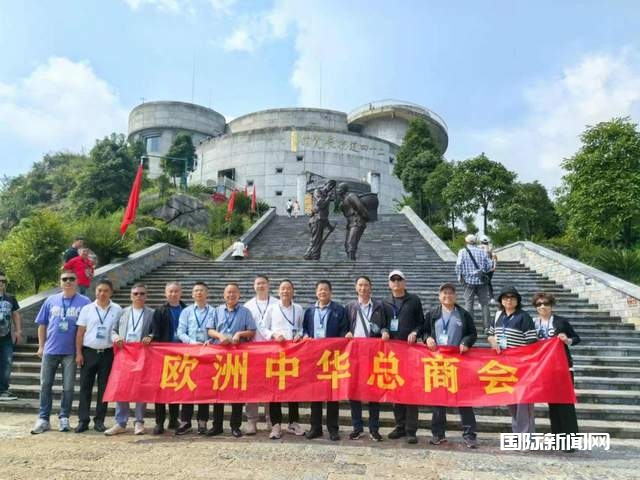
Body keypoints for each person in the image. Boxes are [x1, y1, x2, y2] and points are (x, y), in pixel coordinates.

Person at [31, 271, 91, 434]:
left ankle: (64, 416)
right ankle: (43, 418)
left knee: (68, 387)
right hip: (50, 350)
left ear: (77, 282)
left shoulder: (85, 302)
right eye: (65, 279)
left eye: (72, 279)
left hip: (70, 352)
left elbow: (86, 327)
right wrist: (41, 346)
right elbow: (42, 324)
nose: (68, 282)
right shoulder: (51, 300)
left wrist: (81, 351)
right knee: (45, 385)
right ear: (60, 282)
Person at [424, 282, 478, 448]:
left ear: (455, 296)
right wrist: (427, 339)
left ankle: (469, 435)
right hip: (438, 362)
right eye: (444, 293)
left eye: (450, 293)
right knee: (438, 400)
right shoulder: (432, 314)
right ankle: (438, 434)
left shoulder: (463, 314)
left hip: (458, 362)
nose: (447, 296)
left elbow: (472, 333)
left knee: (464, 399)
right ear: (439, 296)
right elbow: (424, 332)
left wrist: (466, 342)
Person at [207, 283, 256, 438]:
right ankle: (217, 425)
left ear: (239, 295)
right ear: (224, 295)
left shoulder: (245, 312)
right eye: (228, 292)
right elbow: (210, 329)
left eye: (234, 292)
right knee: (218, 392)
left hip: (237, 357)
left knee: (236, 393)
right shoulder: (216, 311)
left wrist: (240, 334)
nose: (231, 295)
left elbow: (252, 331)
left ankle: (235, 426)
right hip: (219, 356)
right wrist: (220, 336)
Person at [532, 292, 581, 448]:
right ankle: (558, 439)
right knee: (552, 403)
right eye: (539, 304)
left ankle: (570, 442)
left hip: (562, 367)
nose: (543, 306)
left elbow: (576, 338)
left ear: (551, 305)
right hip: (544, 368)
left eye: (546, 303)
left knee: (565, 403)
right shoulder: (533, 323)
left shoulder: (560, 321)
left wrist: (567, 340)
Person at [105, 283, 154, 436]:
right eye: (135, 294)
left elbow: (155, 332)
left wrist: (151, 337)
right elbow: (112, 330)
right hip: (124, 354)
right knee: (122, 388)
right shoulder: (123, 312)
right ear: (131, 296)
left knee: (140, 388)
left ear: (146, 296)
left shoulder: (152, 313)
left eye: (142, 294)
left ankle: (139, 421)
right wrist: (116, 338)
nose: (138, 296)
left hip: (142, 355)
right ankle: (121, 422)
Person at [487, 286, 538, 434]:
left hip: (521, 365)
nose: (508, 300)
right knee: (511, 401)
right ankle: (518, 434)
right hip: (503, 365)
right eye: (505, 297)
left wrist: (526, 362)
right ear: (501, 301)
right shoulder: (498, 316)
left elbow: (531, 342)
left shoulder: (524, 317)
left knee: (524, 402)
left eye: (512, 297)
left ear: (517, 300)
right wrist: (492, 341)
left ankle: (526, 438)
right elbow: (490, 333)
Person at [344, 275, 389, 441]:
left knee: (373, 391)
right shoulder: (350, 307)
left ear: (370, 288)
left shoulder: (379, 306)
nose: (363, 288)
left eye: (366, 285)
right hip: (354, 355)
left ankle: (374, 428)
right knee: (354, 391)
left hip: (373, 354)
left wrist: (385, 331)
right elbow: (344, 327)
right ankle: (357, 427)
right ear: (356, 288)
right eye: (360, 285)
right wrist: (346, 333)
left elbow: (385, 324)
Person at [302, 280, 349, 441]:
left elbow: (344, 330)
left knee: (332, 394)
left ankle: (333, 428)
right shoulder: (309, 311)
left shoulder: (339, 310)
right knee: (315, 393)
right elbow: (305, 330)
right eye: (320, 290)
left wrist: (344, 337)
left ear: (331, 292)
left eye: (326, 290)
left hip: (333, 357)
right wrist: (306, 336)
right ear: (316, 292)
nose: (323, 292)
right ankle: (315, 428)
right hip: (315, 358)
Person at [74, 278, 122, 433]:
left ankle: (99, 420)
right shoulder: (87, 309)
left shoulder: (117, 309)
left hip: (108, 354)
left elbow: (120, 332)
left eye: (106, 291)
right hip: (88, 352)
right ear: (95, 291)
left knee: (104, 389)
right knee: (85, 387)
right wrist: (79, 353)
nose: (102, 293)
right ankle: (83, 420)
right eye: (99, 290)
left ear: (111, 292)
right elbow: (80, 333)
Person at [383, 270, 424, 444]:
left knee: (411, 391)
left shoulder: (414, 300)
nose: (397, 282)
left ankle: (411, 429)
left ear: (404, 282)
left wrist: (415, 332)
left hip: (410, 352)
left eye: (399, 279)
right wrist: (384, 330)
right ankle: (400, 426)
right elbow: (380, 324)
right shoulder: (385, 302)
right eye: (393, 280)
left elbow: (421, 322)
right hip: (392, 353)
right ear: (389, 284)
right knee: (396, 390)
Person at [261, 279, 305, 439]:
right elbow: (263, 327)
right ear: (278, 292)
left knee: (294, 388)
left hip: (294, 353)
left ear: (292, 291)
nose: (285, 291)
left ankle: (293, 422)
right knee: (275, 389)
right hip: (276, 353)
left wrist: (300, 334)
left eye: (288, 288)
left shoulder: (299, 309)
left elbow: (301, 327)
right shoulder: (272, 308)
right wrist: (273, 334)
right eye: (282, 289)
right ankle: (276, 424)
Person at [174, 281, 216, 436]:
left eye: (201, 290)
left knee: (204, 387)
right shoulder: (186, 311)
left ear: (207, 293)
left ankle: (202, 421)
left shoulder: (214, 311)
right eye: (196, 291)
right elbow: (180, 332)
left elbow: (216, 330)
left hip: (207, 353)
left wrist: (209, 342)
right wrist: (192, 342)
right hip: (189, 353)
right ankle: (185, 421)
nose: (198, 293)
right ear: (192, 294)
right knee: (187, 386)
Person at [149, 281, 187, 434]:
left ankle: (173, 419)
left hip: (183, 354)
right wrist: (151, 337)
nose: (173, 294)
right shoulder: (159, 311)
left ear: (181, 293)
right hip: (163, 355)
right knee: (161, 388)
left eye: (176, 291)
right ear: (166, 293)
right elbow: (154, 331)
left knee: (176, 387)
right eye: (170, 291)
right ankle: (159, 422)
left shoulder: (187, 309)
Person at [243, 275, 278, 434]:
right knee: (252, 387)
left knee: (272, 386)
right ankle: (252, 420)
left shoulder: (277, 303)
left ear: (269, 285)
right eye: (258, 283)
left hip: (274, 352)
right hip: (253, 353)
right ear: (254, 286)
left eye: (263, 283)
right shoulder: (247, 306)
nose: (261, 286)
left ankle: (271, 419)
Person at [455, 234, 492, 335]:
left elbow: (458, 266)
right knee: (484, 304)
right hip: (481, 282)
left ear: (466, 242)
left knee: (469, 304)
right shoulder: (482, 251)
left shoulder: (462, 251)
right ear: (475, 242)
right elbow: (489, 265)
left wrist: (460, 278)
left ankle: (470, 327)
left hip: (468, 282)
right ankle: (487, 327)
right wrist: (482, 270)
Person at [0, 271, 22, 401]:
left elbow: (16, 314)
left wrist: (18, 331)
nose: (1, 284)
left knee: (7, 363)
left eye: (3, 281)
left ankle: (3, 390)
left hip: (6, 337)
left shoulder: (10, 298)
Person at [336, 182, 370, 261]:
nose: (337, 190)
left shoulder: (351, 196)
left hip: (357, 221)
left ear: (344, 190)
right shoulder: (342, 201)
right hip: (350, 223)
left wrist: (365, 216)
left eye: (339, 188)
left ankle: (351, 263)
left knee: (351, 243)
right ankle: (351, 261)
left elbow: (360, 206)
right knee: (347, 244)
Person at [303, 180, 336, 260]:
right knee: (315, 239)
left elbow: (324, 214)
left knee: (317, 240)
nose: (331, 187)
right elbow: (320, 204)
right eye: (330, 185)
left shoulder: (326, 195)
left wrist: (329, 226)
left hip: (321, 220)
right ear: (325, 184)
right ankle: (309, 254)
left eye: (332, 186)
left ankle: (314, 256)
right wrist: (328, 197)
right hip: (316, 220)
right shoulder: (318, 191)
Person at [479, 235, 498, 301]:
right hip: (490, 268)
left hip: (483, 268)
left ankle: (484, 298)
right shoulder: (490, 248)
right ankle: (491, 297)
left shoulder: (480, 248)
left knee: (483, 282)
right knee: (488, 282)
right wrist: (494, 266)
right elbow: (495, 256)